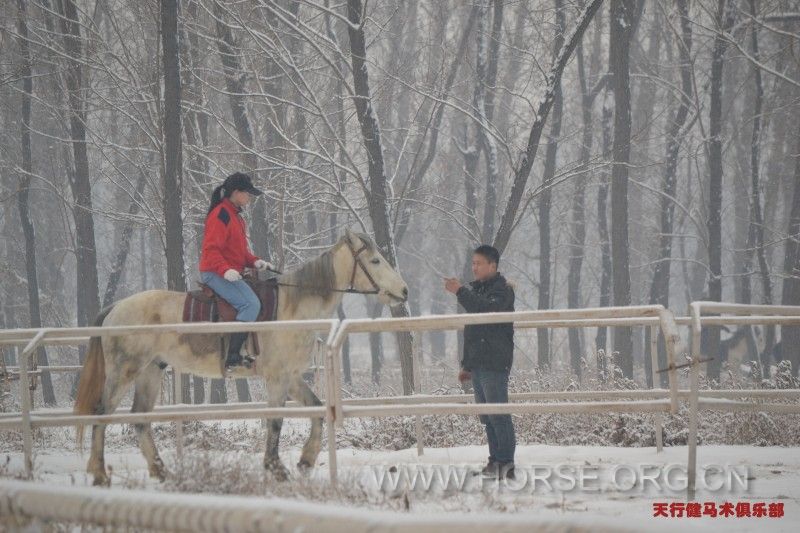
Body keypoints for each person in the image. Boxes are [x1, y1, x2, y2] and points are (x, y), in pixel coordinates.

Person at [444, 245, 516, 479]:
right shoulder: (478, 290)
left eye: (478, 263)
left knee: (498, 415)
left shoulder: (502, 291)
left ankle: (506, 463)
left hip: (495, 362)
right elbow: (473, 331)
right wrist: (467, 365)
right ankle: (494, 461)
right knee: (487, 416)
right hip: (479, 364)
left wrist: (460, 292)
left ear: (492, 266)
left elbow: (485, 311)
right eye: (473, 263)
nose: (474, 267)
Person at [199, 172, 274, 369]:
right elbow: (211, 250)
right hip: (214, 272)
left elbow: (238, 252)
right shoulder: (221, 215)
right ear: (236, 192)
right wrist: (224, 270)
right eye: (247, 193)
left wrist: (255, 261)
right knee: (250, 304)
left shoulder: (236, 217)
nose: (249, 197)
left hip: (228, 270)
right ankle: (232, 356)